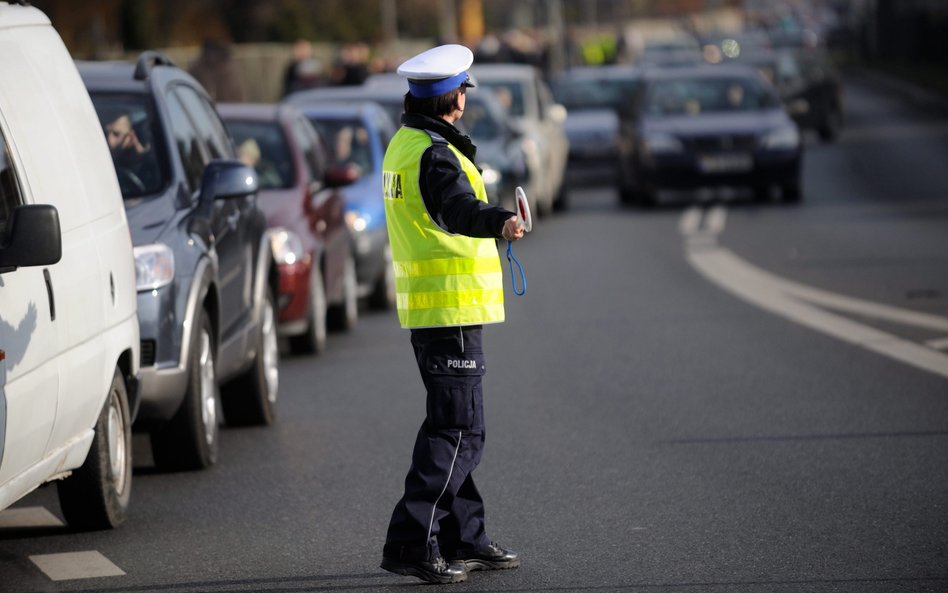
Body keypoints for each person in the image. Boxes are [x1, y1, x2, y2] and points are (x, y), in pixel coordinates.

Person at [379, 44, 525, 585]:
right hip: (450, 311)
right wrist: (501, 222)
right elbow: (455, 208)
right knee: (457, 431)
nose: (466, 98)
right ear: (448, 95)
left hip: (435, 310)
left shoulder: (405, 143)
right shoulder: (434, 153)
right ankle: (411, 542)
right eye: (463, 89)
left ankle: (465, 537)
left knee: (464, 426)